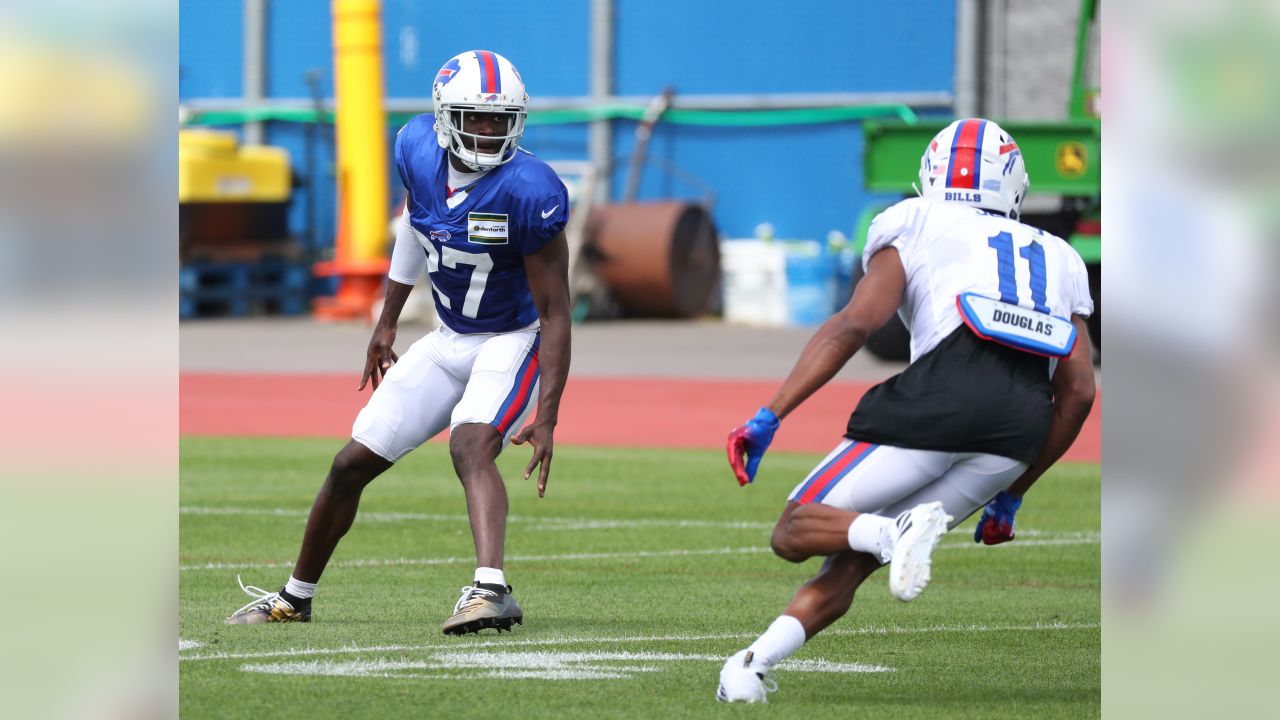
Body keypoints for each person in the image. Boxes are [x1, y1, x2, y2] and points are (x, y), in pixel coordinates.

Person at [716, 118, 1096, 702]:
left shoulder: (914, 219)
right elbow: (1078, 393)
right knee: (853, 558)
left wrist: (770, 414)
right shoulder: (1061, 255)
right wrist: (1014, 491)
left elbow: (855, 324)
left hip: (942, 395)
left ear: (929, 175)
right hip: (1017, 429)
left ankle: (896, 532)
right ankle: (752, 666)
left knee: (793, 532)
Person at [226, 50, 572, 636]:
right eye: (476, 118)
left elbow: (556, 312)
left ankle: (491, 589)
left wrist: (549, 412)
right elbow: (414, 225)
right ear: (444, 116)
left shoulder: (530, 189)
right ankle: (295, 596)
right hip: (448, 336)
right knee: (348, 464)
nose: (489, 130)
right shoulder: (416, 148)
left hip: (511, 338)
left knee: (468, 447)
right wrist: (387, 320)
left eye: (500, 119)